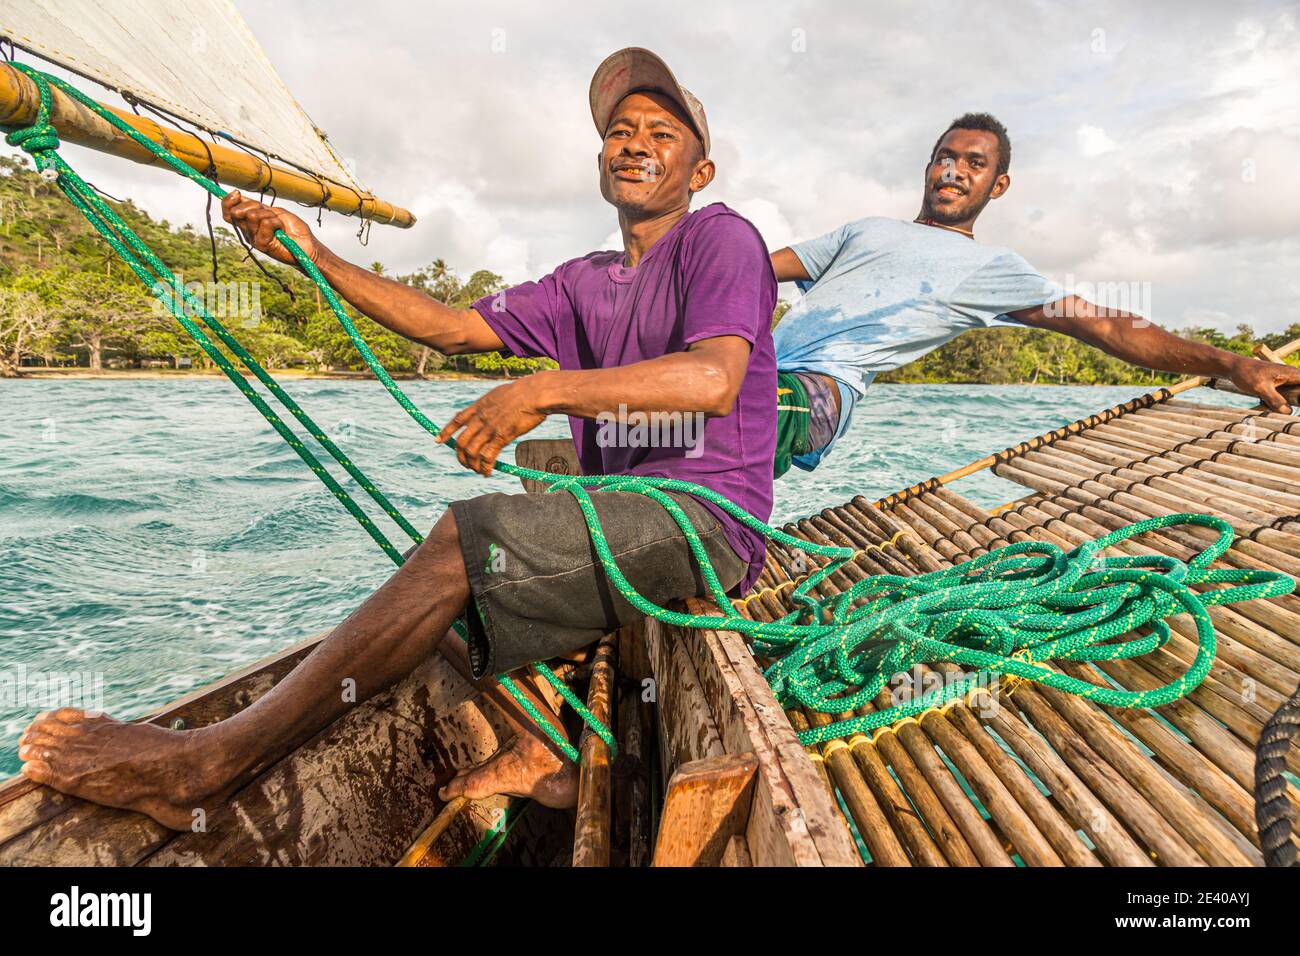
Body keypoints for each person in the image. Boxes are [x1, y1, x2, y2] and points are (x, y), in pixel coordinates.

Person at [16, 48, 777, 825]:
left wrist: (542, 391)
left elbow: (712, 381)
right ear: (599, 157)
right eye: (620, 131)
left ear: (700, 171)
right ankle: (542, 750)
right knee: (432, 584)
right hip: (624, 514)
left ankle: (203, 767)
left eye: (661, 133)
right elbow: (449, 329)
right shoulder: (582, 280)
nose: (635, 144)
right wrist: (315, 258)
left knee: (463, 541)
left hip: (704, 520)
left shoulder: (722, 240)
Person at [769, 112, 1300, 476]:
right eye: (946, 157)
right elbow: (745, 268)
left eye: (976, 163)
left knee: (720, 412)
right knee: (693, 405)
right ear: (929, 167)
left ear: (998, 185)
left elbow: (1106, 325)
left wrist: (1231, 364)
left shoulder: (992, 268)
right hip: (751, 369)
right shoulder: (863, 229)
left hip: (816, 392)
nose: (955, 170)